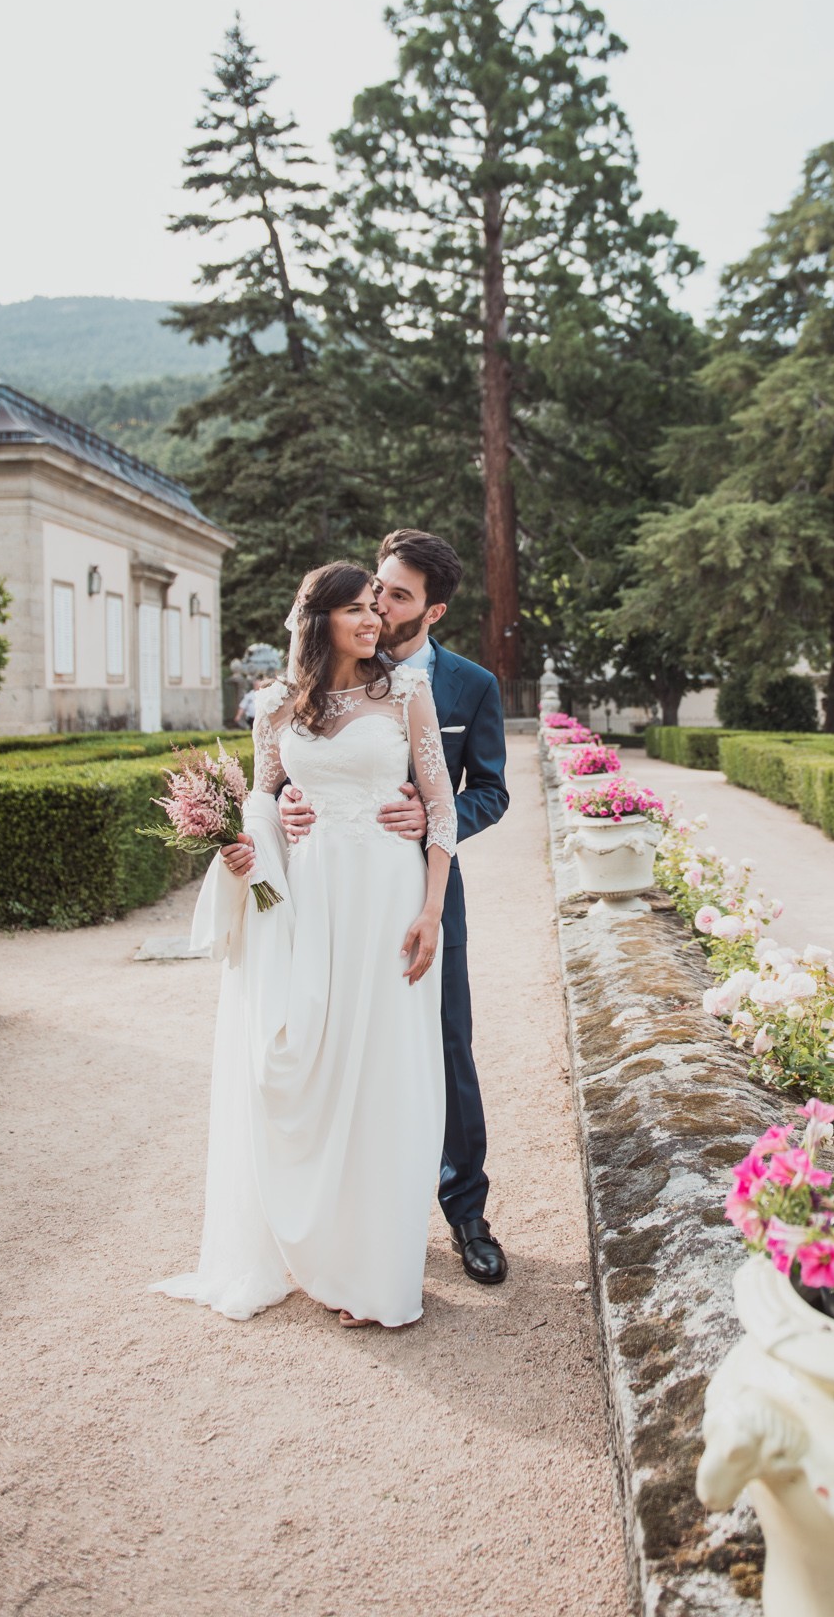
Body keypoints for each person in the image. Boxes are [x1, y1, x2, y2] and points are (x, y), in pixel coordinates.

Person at [151, 561, 457, 1328]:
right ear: (314, 620)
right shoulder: (278, 708)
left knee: (381, 1075)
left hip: (388, 900)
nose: (371, 621)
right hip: (311, 902)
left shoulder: (407, 695)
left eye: (373, 609)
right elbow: (262, 795)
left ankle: (373, 1270)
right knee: (303, 1066)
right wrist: (255, 837)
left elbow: (443, 809)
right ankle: (317, 1247)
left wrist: (432, 910)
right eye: (353, 610)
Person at [278, 530, 511, 1286]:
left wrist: (432, 823)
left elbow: (488, 790)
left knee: (445, 1046)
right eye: (376, 588)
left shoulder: (467, 685)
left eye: (397, 594)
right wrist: (286, 809)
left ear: (433, 610)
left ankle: (466, 1214)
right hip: (334, 887)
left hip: (421, 892)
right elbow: (293, 767)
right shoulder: (324, 675)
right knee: (334, 1039)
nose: (379, 603)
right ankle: (359, 1212)